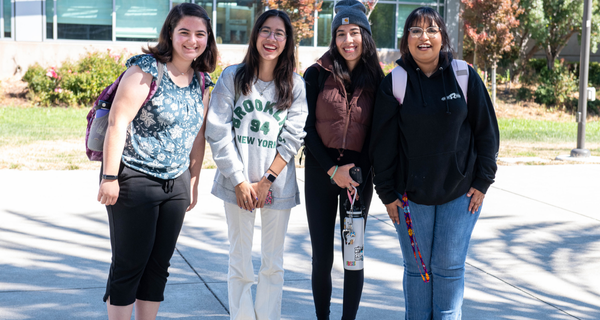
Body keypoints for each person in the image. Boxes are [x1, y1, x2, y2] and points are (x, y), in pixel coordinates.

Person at [369, 6, 499, 320]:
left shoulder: (463, 75)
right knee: (417, 270)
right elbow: (382, 146)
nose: (423, 37)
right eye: (415, 30)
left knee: (449, 269)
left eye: (431, 30)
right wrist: (386, 193)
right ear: (406, 40)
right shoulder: (395, 83)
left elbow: (487, 132)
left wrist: (483, 181)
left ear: (443, 37)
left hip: (461, 195)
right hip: (411, 198)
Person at [96, 3, 217, 320]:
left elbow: (198, 137)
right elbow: (117, 123)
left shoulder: (201, 81)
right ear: (170, 34)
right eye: (185, 32)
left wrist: (192, 181)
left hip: (176, 183)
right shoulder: (146, 69)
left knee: (159, 265)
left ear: (208, 39)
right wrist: (109, 177)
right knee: (129, 263)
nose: (192, 40)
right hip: (135, 178)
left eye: (200, 34)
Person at [205, 10, 307, 320]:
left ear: (287, 41)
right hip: (236, 183)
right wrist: (239, 181)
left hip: (275, 184)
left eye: (279, 33)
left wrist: (266, 182)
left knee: (273, 262)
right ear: (255, 35)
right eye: (266, 30)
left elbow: (292, 138)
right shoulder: (232, 77)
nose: (271, 38)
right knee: (240, 260)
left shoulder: (295, 84)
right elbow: (217, 131)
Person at [302, 1, 384, 319]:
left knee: (353, 256)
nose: (348, 40)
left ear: (365, 34)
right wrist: (332, 169)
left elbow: (380, 133)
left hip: (358, 179)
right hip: (321, 172)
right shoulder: (315, 74)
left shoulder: (379, 81)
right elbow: (304, 128)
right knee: (322, 258)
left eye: (354, 32)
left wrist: (355, 172)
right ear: (334, 38)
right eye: (340, 33)